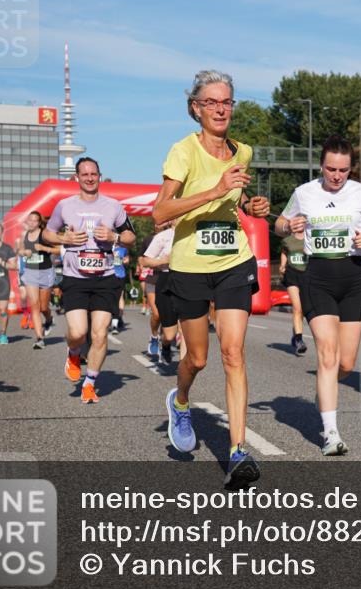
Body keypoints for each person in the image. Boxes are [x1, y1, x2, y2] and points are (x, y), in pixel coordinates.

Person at [152, 70, 270, 489]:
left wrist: (251, 207)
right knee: (197, 358)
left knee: (234, 353)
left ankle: (238, 451)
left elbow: (234, 203)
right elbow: (160, 213)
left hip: (234, 261)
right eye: (212, 102)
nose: (221, 109)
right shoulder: (183, 152)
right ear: (196, 108)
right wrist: (216, 188)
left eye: (227, 102)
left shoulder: (243, 151)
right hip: (189, 267)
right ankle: (181, 401)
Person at [275, 135, 361, 456]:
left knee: (347, 364)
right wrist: (288, 226)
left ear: (351, 168)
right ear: (321, 165)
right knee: (327, 354)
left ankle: (324, 394)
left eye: (343, 170)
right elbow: (280, 224)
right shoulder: (304, 193)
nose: (337, 176)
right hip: (318, 279)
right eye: (330, 169)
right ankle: (330, 432)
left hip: (353, 279)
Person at [43, 157, 136, 403]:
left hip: (105, 277)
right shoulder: (64, 206)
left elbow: (130, 236)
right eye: (84, 174)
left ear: (99, 175)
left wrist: (115, 236)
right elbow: (47, 232)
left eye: (93, 173)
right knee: (78, 332)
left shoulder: (114, 206)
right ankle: (74, 353)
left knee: (100, 333)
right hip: (75, 277)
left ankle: (90, 383)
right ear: (77, 177)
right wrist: (65, 239)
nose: (89, 178)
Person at [139, 220, 179, 365]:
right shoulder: (155, 238)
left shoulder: (191, 233)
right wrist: (163, 260)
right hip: (155, 278)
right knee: (157, 314)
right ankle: (155, 336)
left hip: (181, 279)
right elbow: (143, 260)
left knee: (180, 317)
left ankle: (174, 343)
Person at [17, 211, 57, 348]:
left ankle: (49, 318)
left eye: (35, 221)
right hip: (30, 272)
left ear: (39, 222)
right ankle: (39, 338)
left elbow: (59, 250)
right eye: (30, 220)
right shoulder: (25, 234)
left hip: (45, 272)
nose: (32, 223)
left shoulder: (45, 234)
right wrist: (23, 252)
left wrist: (44, 248)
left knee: (43, 307)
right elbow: (20, 250)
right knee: (34, 305)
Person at [279, 226, 308, 355]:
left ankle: (295, 333)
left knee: (304, 309)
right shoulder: (288, 240)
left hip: (308, 274)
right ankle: (299, 340)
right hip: (292, 273)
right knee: (297, 308)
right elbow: (284, 252)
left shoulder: (311, 237)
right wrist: (282, 265)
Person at [110, 241, 129, 335]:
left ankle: (116, 321)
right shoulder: (104, 246)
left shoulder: (123, 249)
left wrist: (123, 260)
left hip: (119, 275)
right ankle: (113, 317)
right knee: (109, 299)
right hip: (107, 276)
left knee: (119, 298)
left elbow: (127, 260)